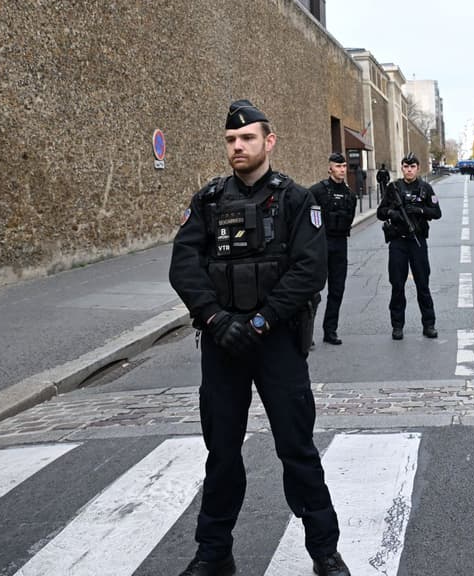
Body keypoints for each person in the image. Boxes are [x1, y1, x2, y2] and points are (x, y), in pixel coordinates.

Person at [168, 99, 350, 576]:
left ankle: (324, 551)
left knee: (297, 449)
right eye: (230, 140)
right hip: (223, 344)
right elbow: (184, 267)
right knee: (222, 453)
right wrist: (215, 319)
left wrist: (262, 320)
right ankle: (213, 553)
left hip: (276, 344)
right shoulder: (207, 202)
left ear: (269, 142)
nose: (237, 147)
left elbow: (310, 271)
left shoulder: (294, 200)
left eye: (247, 138)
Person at [376, 152, 442, 340]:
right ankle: (397, 326)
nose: (409, 170)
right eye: (406, 166)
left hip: (418, 242)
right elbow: (380, 212)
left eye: (412, 167)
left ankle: (429, 324)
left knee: (423, 284)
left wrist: (420, 210)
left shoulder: (425, 188)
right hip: (398, 242)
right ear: (402, 167)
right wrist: (392, 213)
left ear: (418, 168)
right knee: (397, 285)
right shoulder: (393, 188)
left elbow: (437, 213)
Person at [310, 152, 356, 345]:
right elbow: (310, 219)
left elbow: (350, 219)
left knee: (337, 290)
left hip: (340, 244)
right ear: (330, 168)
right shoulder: (317, 191)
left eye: (344, 166)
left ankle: (330, 331)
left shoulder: (350, 194)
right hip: (321, 244)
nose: (342, 170)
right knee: (312, 291)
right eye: (338, 166)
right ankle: (307, 334)